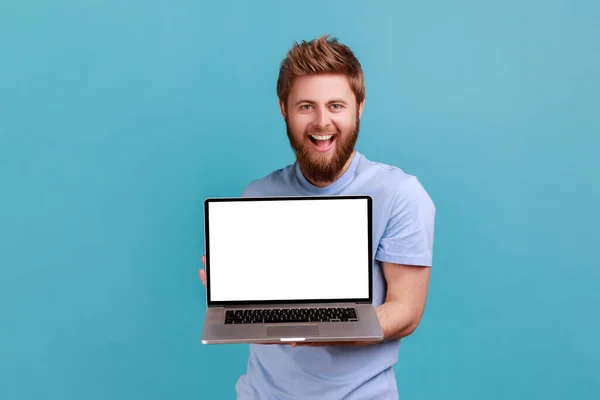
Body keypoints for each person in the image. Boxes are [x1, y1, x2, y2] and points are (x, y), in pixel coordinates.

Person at [199, 35, 435, 400]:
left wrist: (322, 327)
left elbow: (407, 311)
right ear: (284, 110)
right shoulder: (256, 196)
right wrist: (230, 295)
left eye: (336, 105)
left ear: (359, 107)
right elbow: (260, 305)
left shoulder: (400, 194)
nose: (322, 122)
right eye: (306, 106)